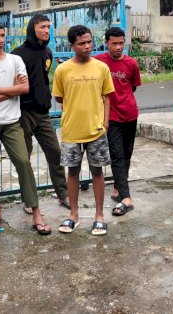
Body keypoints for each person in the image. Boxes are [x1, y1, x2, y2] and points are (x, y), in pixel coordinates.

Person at [0, 21, 50, 235]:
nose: (1, 39)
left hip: (12, 122)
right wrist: (12, 90)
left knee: (24, 162)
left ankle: (36, 212)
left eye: (3, 35)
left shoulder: (15, 60)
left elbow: (24, 88)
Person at [52, 25, 114, 236]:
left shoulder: (101, 68)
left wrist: (105, 123)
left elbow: (107, 97)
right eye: (82, 43)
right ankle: (74, 215)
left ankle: (99, 217)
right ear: (72, 46)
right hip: (71, 130)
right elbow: (60, 98)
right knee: (73, 172)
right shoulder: (62, 70)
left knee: (97, 172)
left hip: (96, 130)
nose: (88, 46)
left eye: (89, 42)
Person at [11, 15, 69, 213]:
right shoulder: (17, 54)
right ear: (32, 29)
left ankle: (63, 194)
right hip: (23, 113)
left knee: (56, 154)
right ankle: (29, 199)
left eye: (48, 27)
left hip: (43, 114)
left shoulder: (48, 52)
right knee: (24, 159)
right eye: (42, 27)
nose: (47, 30)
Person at [94, 26, 141, 216]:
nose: (118, 47)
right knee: (117, 155)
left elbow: (133, 87)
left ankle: (118, 186)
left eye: (121, 43)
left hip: (130, 114)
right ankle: (126, 197)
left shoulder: (132, 63)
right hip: (111, 116)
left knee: (127, 153)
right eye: (114, 43)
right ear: (106, 43)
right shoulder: (98, 62)